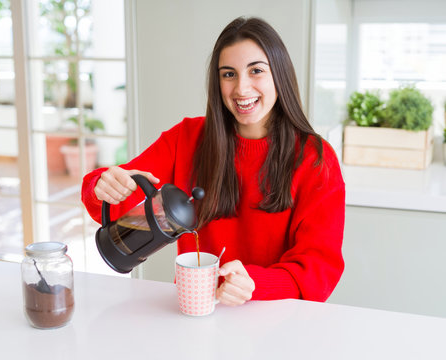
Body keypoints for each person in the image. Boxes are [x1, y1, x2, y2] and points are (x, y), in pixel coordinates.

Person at [82, 17, 345, 306]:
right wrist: (102, 185)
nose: (242, 89)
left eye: (256, 71)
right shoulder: (186, 138)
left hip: (277, 315)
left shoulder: (316, 159)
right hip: (198, 309)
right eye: (228, 74)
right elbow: (122, 198)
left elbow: (319, 270)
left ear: (279, 74)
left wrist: (256, 284)